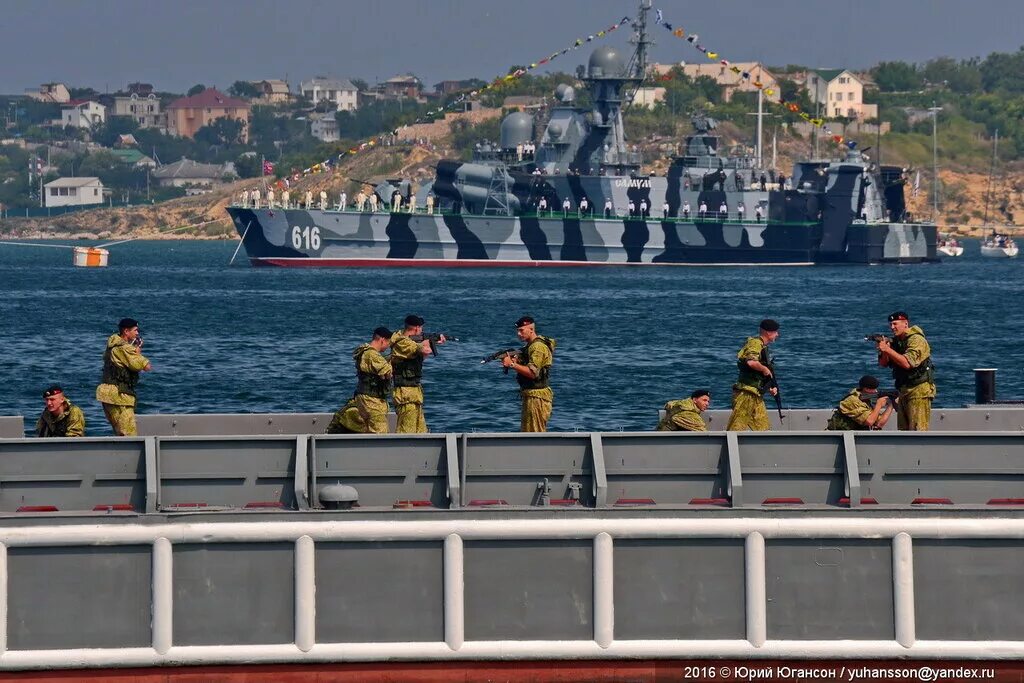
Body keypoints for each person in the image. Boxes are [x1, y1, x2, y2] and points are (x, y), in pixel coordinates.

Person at [327, 327, 394, 434]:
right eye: (388, 343)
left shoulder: (364, 352)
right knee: (380, 433)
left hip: (364, 398)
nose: (388, 346)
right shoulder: (372, 355)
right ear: (382, 340)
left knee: (368, 430)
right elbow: (387, 373)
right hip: (372, 400)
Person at [877, 311, 936, 431]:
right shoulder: (897, 342)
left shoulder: (917, 340)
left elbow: (907, 363)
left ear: (905, 323)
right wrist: (883, 350)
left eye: (895, 324)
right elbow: (883, 364)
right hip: (904, 390)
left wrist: (887, 350)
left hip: (919, 390)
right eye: (891, 325)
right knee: (903, 430)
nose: (892, 327)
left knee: (917, 430)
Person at [96, 318, 152, 436]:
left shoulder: (112, 343)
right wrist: (137, 351)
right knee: (129, 434)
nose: (137, 333)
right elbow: (146, 366)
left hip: (107, 394)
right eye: (135, 330)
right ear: (126, 331)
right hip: (119, 395)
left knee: (119, 432)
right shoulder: (124, 348)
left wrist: (133, 348)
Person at [389, 315, 445, 433]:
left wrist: (434, 341)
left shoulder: (410, 343)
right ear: (416, 328)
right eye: (421, 328)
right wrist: (428, 342)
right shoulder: (402, 341)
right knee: (406, 430)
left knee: (420, 430)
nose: (422, 331)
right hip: (405, 393)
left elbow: (421, 356)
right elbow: (425, 350)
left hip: (414, 392)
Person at [501, 316, 556, 432]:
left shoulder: (537, 347)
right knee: (528, 431)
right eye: (517, 331)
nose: (518, 334)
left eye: (521, 330)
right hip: (530, 395)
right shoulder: (529, 346)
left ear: (531, 329)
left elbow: (532, 373)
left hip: (537, 398)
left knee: (535, 431)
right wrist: (517, 361)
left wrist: (512, 364)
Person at [726, 319, 780, 432]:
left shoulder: (762, 347)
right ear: (768, 332)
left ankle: (764, 449)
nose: (777, 335)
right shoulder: (755, 343)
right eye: (775, 332)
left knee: (763, 429)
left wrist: (769, 387)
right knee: (736, 428)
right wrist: (764, 369)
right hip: (746, 393)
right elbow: (751, 362)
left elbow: (757, 373)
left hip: (756, 394)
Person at [825, 375, 894, 431]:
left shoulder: (867, 400)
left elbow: (879, 424)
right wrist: (879, 404)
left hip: (855, 436)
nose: (876, 391)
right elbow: (869, 422)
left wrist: (891, 404)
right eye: (873, 389)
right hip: (839, 436)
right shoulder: (852, 400)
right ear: (866, 389)